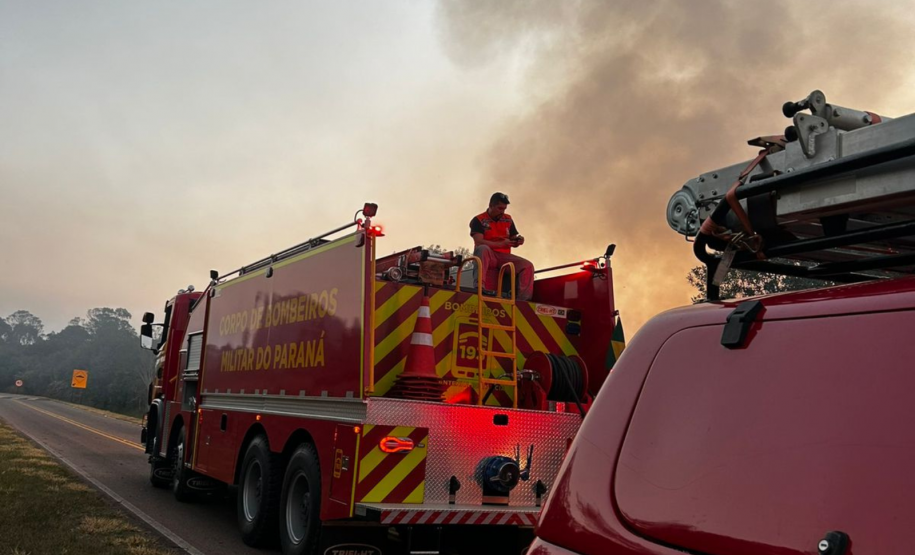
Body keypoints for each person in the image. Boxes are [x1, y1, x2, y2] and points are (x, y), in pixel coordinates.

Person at [469, 192, 534, 301]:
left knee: (528, 266)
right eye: (500, 208)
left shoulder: (508, 219)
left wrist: (518, 240)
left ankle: (524, 300)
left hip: (504, 257)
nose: (502, 212)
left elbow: (513, 236)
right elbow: (479, 241)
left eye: (504, 209)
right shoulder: (478, 220)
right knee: (482, 249)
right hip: (489, 255)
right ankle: (479, 286)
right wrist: (500, 244)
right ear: (491, 206)